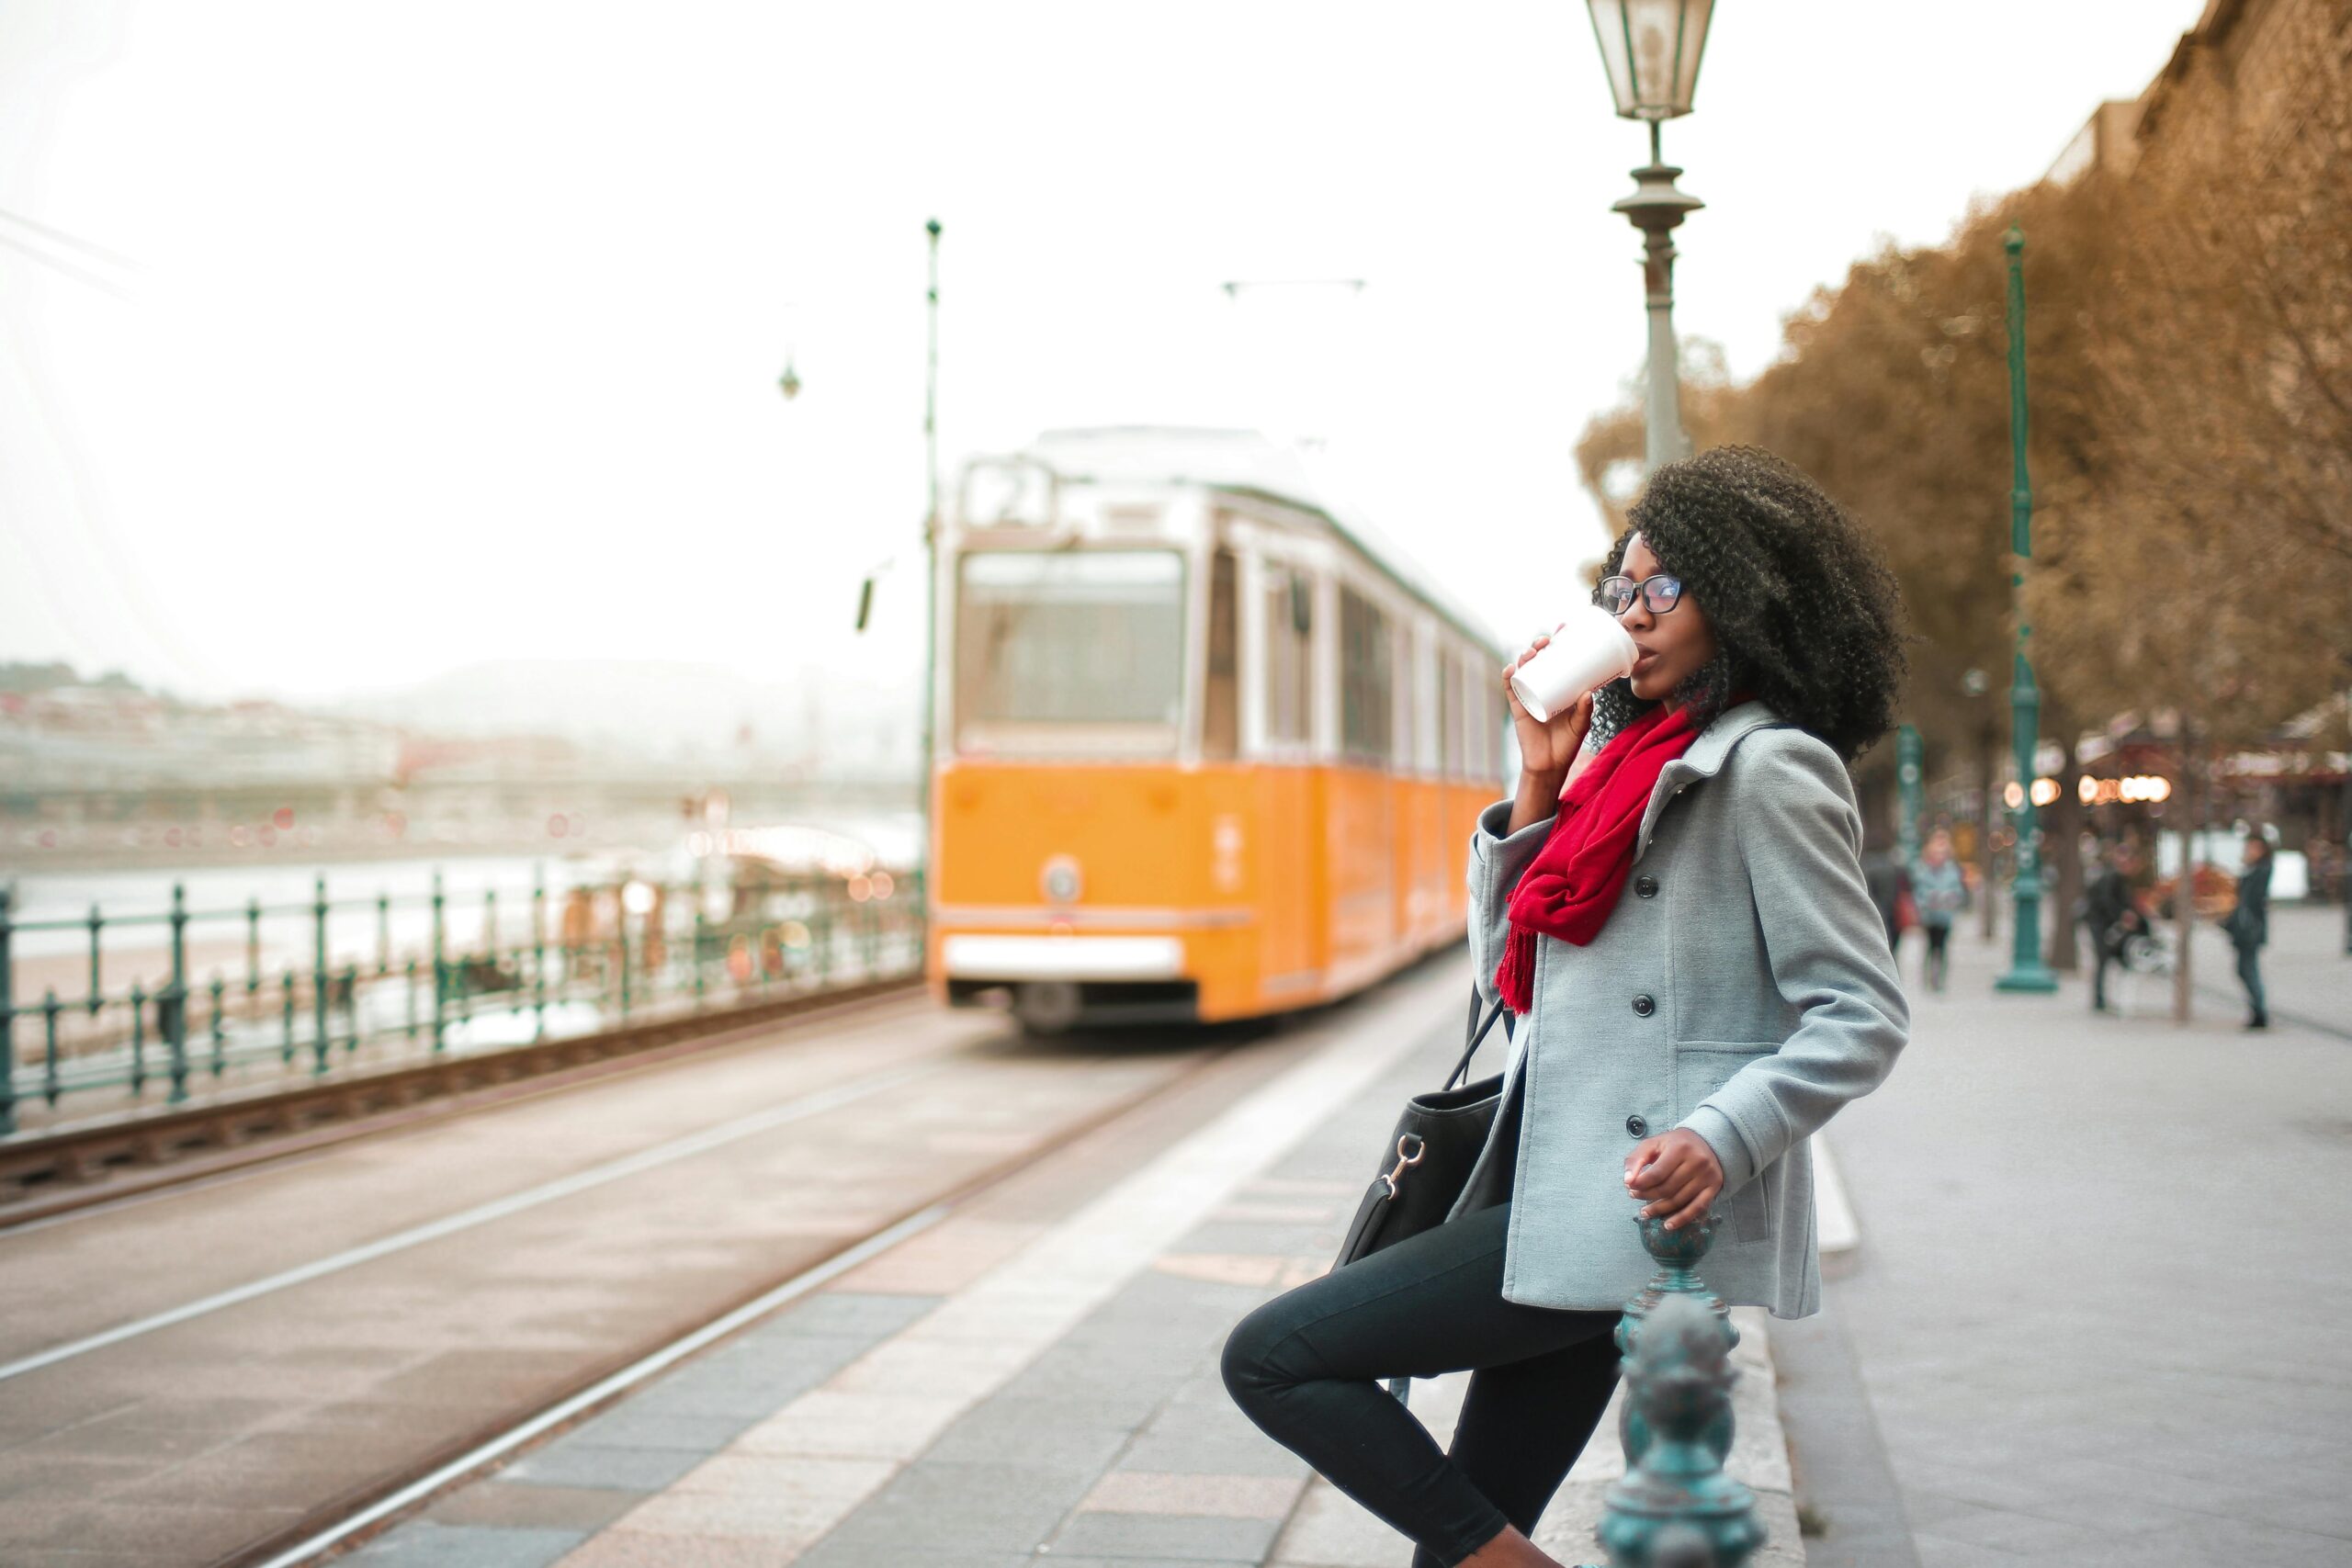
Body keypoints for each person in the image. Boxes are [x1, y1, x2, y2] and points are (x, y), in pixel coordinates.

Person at [1220, 446, 1912, 1568]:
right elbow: (1515, 980)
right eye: (1617, 590)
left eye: (1658, 591)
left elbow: (1857, 1010)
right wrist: (1537, 784)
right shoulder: (1621, 764)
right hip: (1549, 1186)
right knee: (1457, 1543)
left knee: (1273, 1357)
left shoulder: (1766, 770)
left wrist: (1722, 1133)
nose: (1628, 615)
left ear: (1735, 600)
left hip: (1628, 1213)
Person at [2082, 840, 2150, 1013]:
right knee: (2103, 959)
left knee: (2105, 960)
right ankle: (2099, 999)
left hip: (2104, 924)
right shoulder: (2111, 877)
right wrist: (2122, 916)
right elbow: (2107, 902)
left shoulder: (2117, 878)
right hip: (2100, 924)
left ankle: (2102, 998)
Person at [2222, 833, 2272, 1030]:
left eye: (2254, 848)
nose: (2249, 851)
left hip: (2249, 930)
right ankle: (2257, 1010)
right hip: (2247, 928)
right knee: (2245, 969)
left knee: (2248, 969)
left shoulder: (2260, 871)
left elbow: (2250, 903)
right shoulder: (2253, 870)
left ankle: (2259, 1012)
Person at [1910, 828, 1967, 992]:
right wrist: (1928, 899)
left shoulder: (1952, 870)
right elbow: (1918, 891)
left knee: (1942, 948)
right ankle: (1927, 979)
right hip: (1928, 915)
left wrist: (1949, 898)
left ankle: (1939, 981)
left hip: (1945, 915)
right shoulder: (1922, 868)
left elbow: (1959, 892)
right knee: (1928, 947)